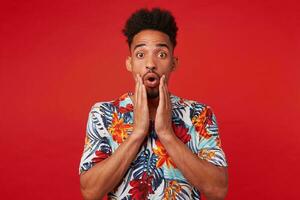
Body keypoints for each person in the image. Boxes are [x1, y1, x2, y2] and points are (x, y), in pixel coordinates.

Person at [79, 8, 228, 200]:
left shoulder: (199, 114)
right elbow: (90, 192)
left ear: (174, 63)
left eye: (161, 54)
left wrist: (167, 133)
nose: (151, 63)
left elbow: (218, 190)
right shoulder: (103, 113)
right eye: (141, 55)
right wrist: (137, 133)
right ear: (129, 63)